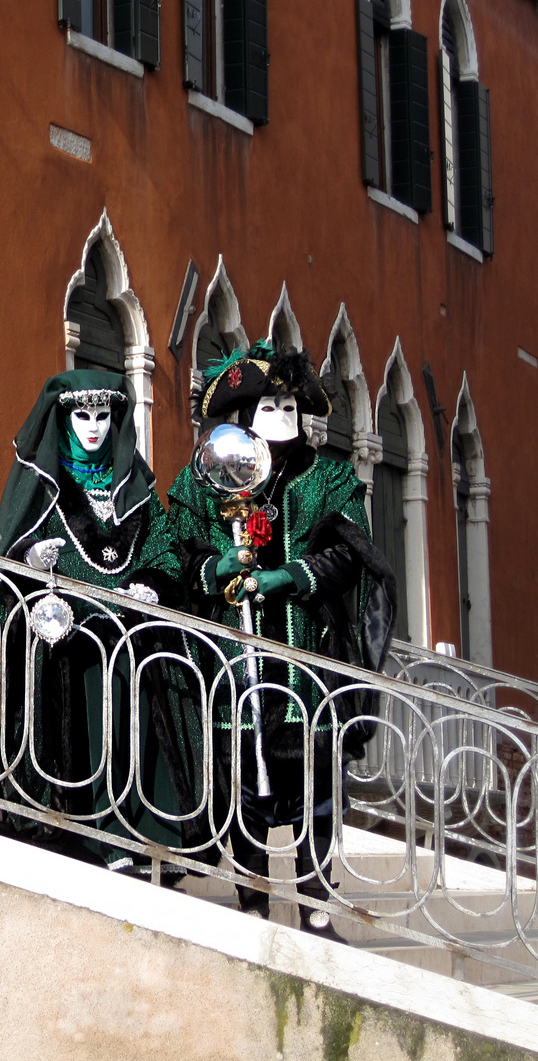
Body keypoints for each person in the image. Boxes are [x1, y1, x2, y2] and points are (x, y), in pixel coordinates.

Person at [166, 342, 396, 939]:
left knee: (314, 781)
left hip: (308, 663)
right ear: (243, 416)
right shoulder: (205, 480)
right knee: (244, 782)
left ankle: (317, 904)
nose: (282, 417)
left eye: (290, 406)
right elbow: (178, 551)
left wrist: (290, 576)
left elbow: (354, 553)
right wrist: (216, 568)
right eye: (268, 406)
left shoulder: (328, 478)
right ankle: (254, 901)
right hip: (233, 669)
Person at [0, 370, 206, 878]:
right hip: (67, 648)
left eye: (104, 416)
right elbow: (8, 557)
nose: (94, 428)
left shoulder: (134, 488)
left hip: (131, 643)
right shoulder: (42, 488)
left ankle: (149, 834)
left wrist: (152, 585)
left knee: (139, 730)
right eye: (82, 415)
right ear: (63, 419)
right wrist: (28, 559)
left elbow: (165, 552)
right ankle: (90, 835)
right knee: (84, 731)